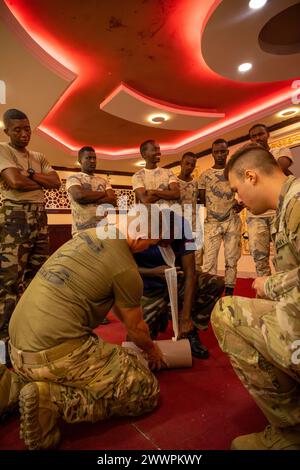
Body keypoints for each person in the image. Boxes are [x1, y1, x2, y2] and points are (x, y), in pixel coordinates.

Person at [5, 210, 171, 450]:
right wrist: (153, 350)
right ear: (139, 236)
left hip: (17, 346)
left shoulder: (90, 235)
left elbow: (113, 303)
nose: (146, 249)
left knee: (112, 356)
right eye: (150, 244)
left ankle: (12, 384)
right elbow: (136, 330)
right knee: (145, 391)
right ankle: (51, 400)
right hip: (54, 354)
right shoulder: (126, 269)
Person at [212, 142, 300, 450]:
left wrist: (270, 285)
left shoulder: (297, 202)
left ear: (251, 176)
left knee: (226, 313)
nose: (237, 199)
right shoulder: (287, 202)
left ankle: (292, 432)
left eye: (236, 189)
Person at [0, 109, 61, 360]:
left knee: (39, 277)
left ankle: (32, 330)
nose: (24, 133)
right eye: (17, 129)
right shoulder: (3, 150)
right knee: (10, 281)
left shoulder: (39, 156)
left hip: (39, 216)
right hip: (15, 216)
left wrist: (32, 175)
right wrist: (40, 180)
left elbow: (56, 182)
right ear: (7, 131)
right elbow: (15, 182)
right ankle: (5, 342)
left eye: (27, 128)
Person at [134, 215, 224, 359]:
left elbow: (190, 273)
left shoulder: (183, 226)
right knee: (137, 344)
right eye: (162, 239)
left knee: (215, 284)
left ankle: (190, 332)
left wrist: (186, 318)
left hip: (177, 280)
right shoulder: (136, 231)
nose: (166, 243)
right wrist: (152, 272)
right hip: (149, 289)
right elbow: (124, 269)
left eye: (170, 239)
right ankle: (162, 314)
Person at [247, 123, 294, 276]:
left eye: (260, 134)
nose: (257, 138)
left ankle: (285, 294)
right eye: (253, 136)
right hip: (256, 218)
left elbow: (278, 170)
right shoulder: (247, 163)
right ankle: (265, 295)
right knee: (260, 260)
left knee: (284, 258)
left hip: (277, 214)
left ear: (268, 134)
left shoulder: (280, 151)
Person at [199, 139, 242, 296]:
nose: (219, 154)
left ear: (227, 152)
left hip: (232, 221)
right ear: (212, 153)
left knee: (232, 260)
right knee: (209, 262)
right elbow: (202, 200)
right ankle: (209, 295)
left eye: (222, 151)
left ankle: (229, 295)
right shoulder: (205, 176)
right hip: (212, 222)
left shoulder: (234, 172)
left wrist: (241, 203)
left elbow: (244, 189)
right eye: (216, 151)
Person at [66, 146, 116, 237]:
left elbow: (113, 201)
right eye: (88, 158)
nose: (92, 161)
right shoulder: (73, 178)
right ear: (80, 160)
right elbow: (80, 196)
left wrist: (89, 198)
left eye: (94, 158)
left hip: (103, 231)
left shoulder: (103, 181)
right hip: (82, 232)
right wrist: (103, 194)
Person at [132, 139, 180, 206]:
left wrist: (153, 192)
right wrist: (167, 192)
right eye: (154, 149)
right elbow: (145, 199)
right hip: (149, 216)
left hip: (169, 215)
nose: (159, 152)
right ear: (144, 154)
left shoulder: (168, 172)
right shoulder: (137, 176)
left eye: (159, 149)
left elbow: (176, 194)